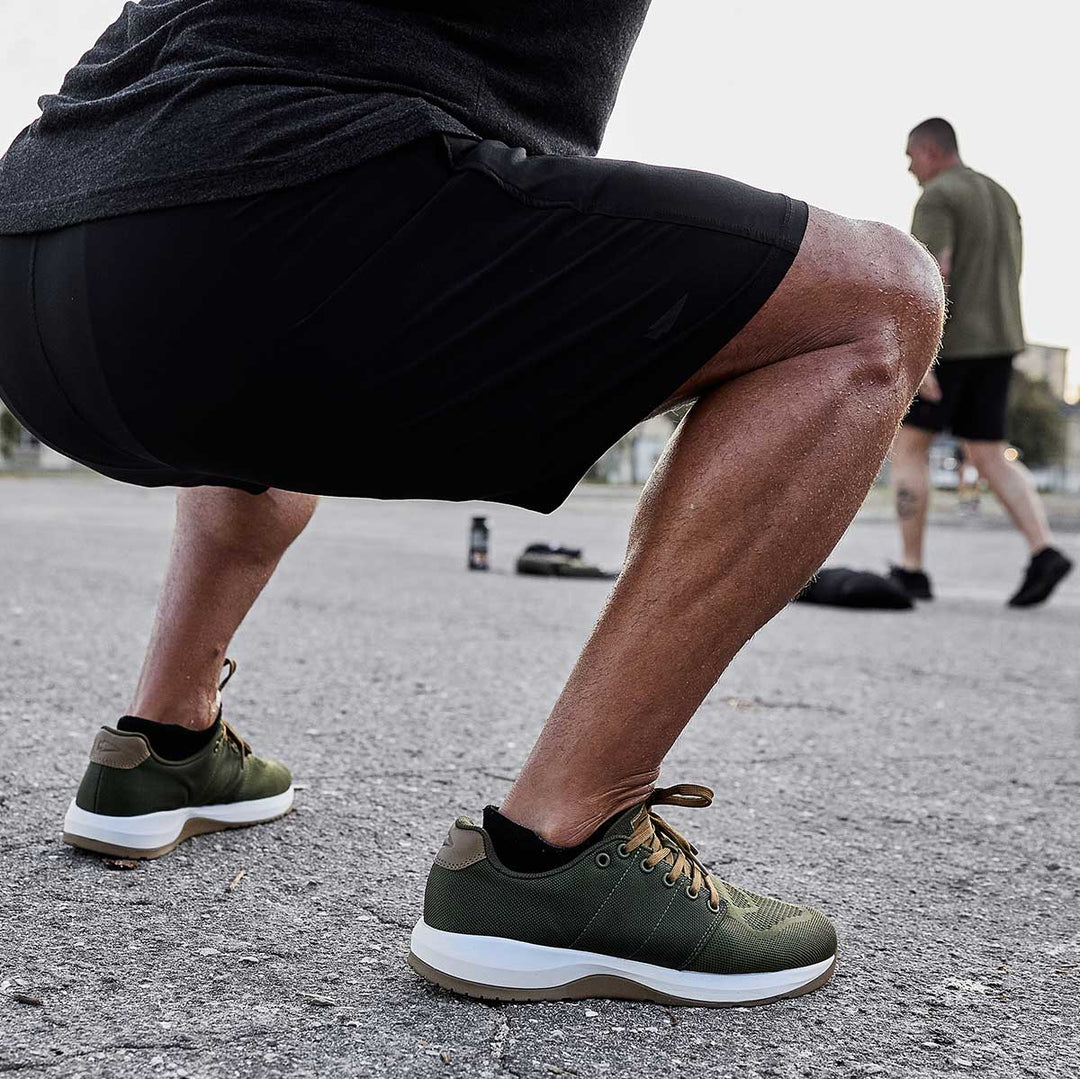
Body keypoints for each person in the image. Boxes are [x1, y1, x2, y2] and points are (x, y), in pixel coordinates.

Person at [0, 3, 944, 1006]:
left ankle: (164, 741)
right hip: (260, 230)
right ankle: (564, 844)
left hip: (35, 258)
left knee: (263, 397)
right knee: (874, 302)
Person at [889, 118, 1073, 606]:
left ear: (930, 151)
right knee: (989, 451)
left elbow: (931, 273)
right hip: (1001, 341)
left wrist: (919, 353)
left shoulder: (937, 196)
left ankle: (911, 570)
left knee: (908, 449)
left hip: (952, 346)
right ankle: (1043, 551)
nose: (909, 168)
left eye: (911, 157)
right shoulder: (1000, 194)